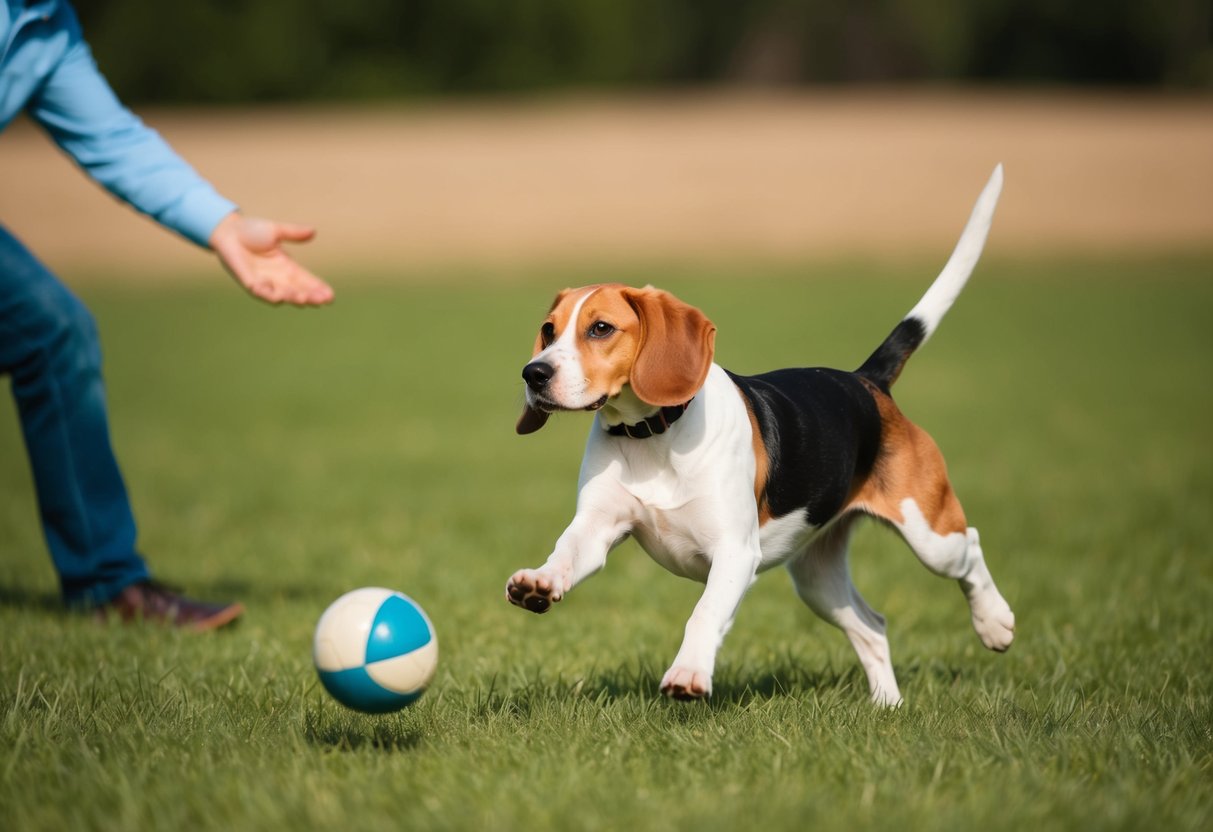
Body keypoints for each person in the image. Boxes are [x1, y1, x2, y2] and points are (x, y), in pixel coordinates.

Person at [1, 0, 334, 629]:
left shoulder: (44, 23)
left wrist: (223, 226)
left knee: (52, 333)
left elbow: (111, 139)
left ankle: (105, 586)